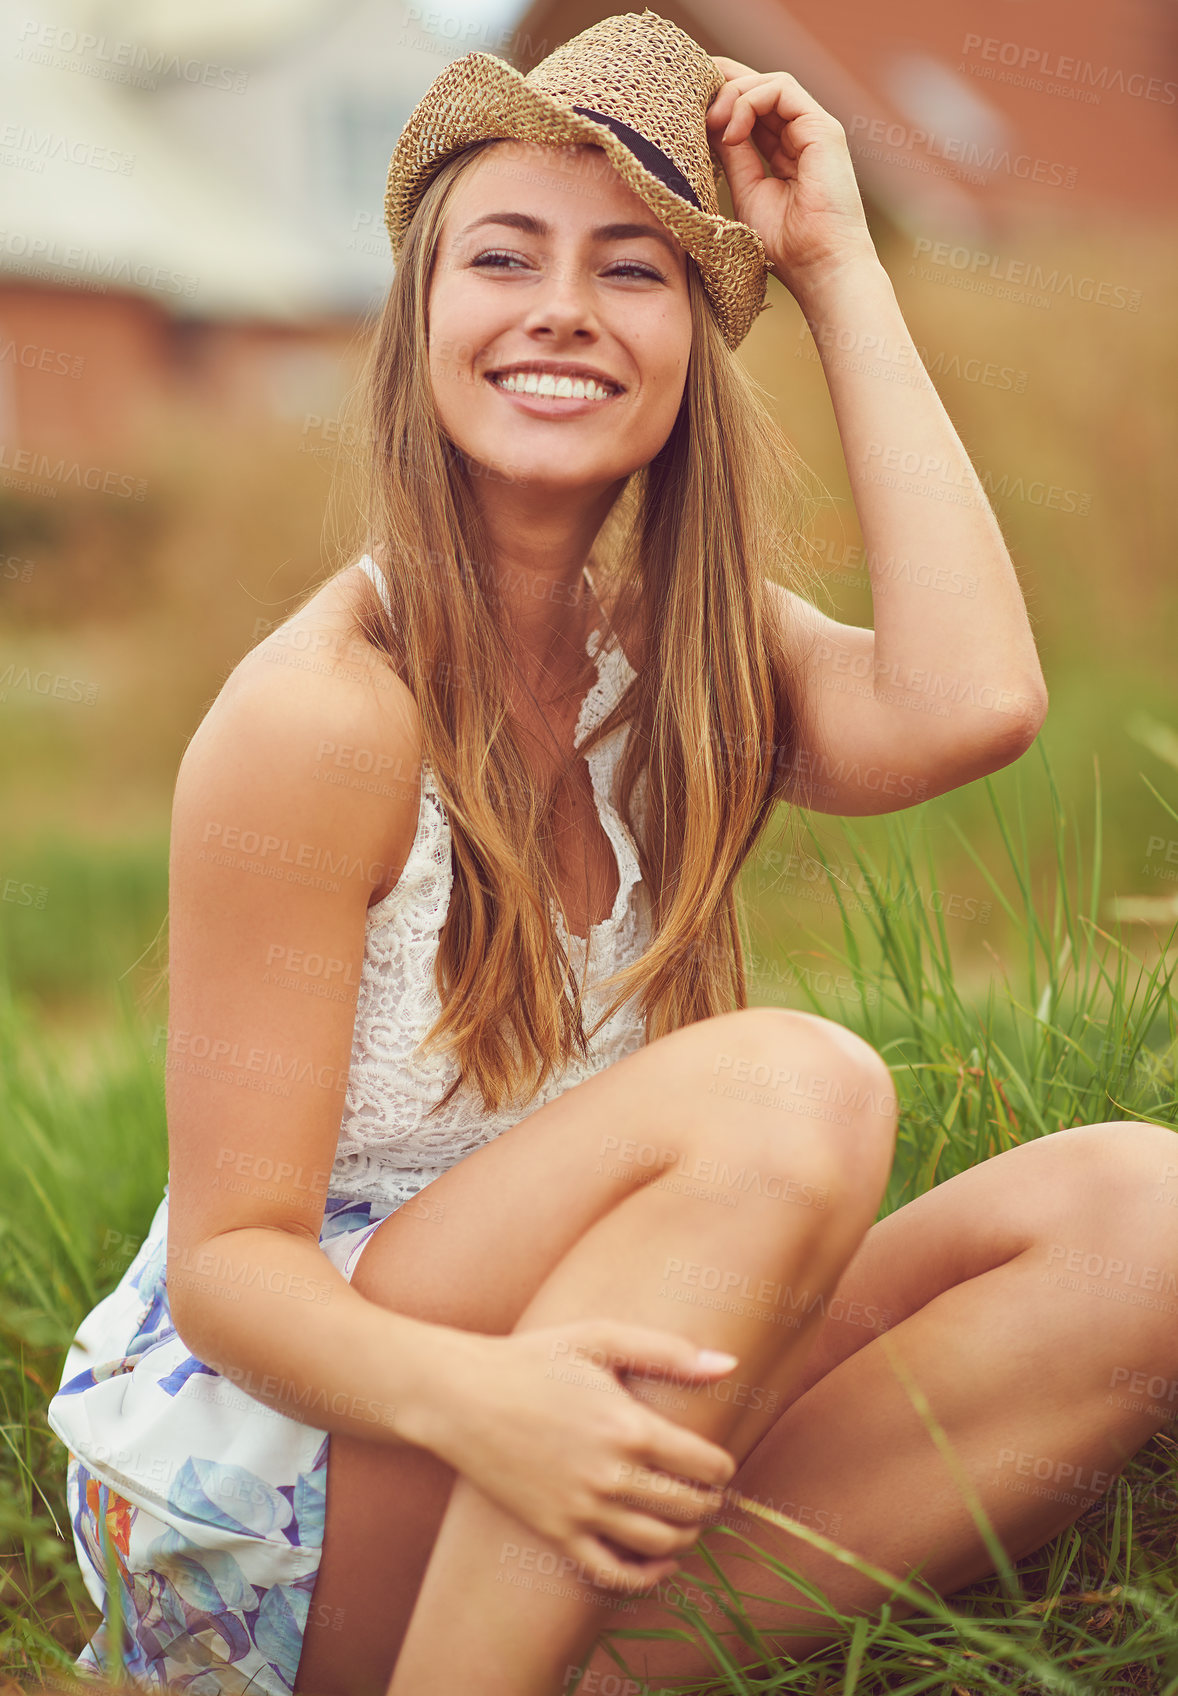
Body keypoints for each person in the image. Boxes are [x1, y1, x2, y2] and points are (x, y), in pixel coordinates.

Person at [46, 11, 1178, 1696]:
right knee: (789, 1088)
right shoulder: (321, 719)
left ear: (693, 348)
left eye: (634, 269)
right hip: (295, 1481)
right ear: (422, 314)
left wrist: (835, 266)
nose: (562, 306)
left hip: (563, 1427)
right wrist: (492, 1403)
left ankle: (558, 1662)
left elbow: (974, 702)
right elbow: (229, 1275)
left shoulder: (686, 660)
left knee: (1138, 1216)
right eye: (504, 256)